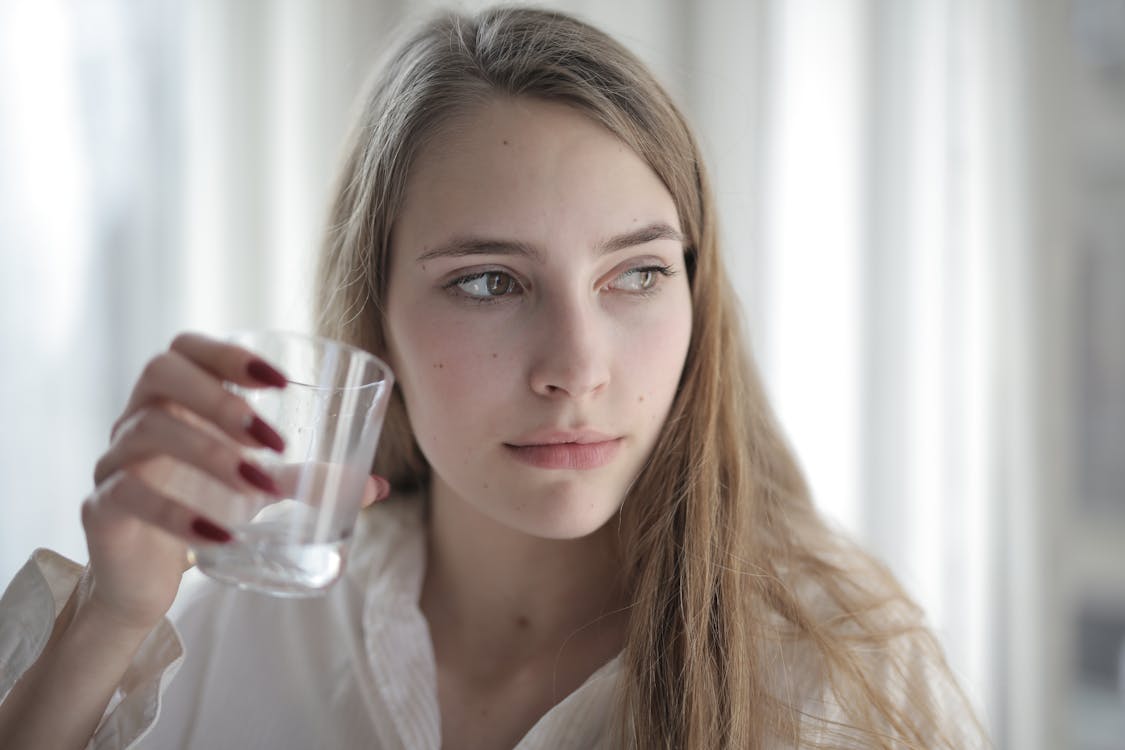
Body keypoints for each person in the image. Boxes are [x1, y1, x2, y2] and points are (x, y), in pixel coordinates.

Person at [0, 5, 989, 749]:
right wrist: (108, 620)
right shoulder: (241, 635)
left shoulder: (839, 687)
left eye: (637, 273)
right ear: (373, 315)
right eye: (488, 282)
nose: (576, 367)